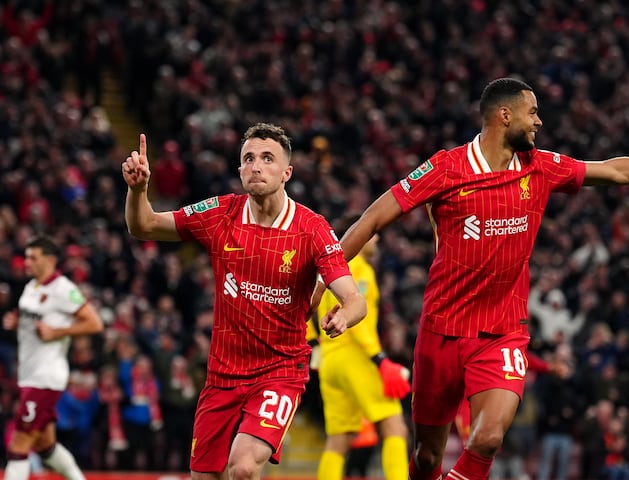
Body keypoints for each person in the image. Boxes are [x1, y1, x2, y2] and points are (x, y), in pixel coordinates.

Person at [324, 77, 629, 480]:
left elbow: (615, 171)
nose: (540, 121)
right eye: (533, 112)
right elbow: (374, 217)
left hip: (503, 332)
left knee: (487, 438)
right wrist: (329, 278)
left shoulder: (539, 168)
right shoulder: (446, 168)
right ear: (504, 116)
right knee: (426, 454)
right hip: (442, 331)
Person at [122, 123, 366, 480]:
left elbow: (354, 298)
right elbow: (143, 225)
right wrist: (138, 190)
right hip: (222, 375)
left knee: (243, 466)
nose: (256, 166)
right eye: (248, 158)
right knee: (205, 477)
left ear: (287, 172)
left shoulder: (311, 229)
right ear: (239, 170)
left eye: (267, 158)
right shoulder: (220, 214)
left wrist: (345, 314)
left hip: (280, 371)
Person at [307, 213, 410, 480]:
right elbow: (360, 323)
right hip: (356, 356)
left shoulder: (326, 270)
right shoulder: (359, 269)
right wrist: (380, 359)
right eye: (372, 234)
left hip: (329, 361)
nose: (375, 238)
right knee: (394, 427)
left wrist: (312, 346)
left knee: (339, 439)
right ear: (360, 236)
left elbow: (304, 310)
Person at [2, 235, 104, 480]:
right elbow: (36, 321)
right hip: (29, 373)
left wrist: (59, 332)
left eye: (32, 257)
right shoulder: (31, 286)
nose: (26, 262)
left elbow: (95, 323)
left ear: (50, 260)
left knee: (19, 442)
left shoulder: (64, 289)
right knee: (45, 446)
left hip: (45, 376)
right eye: (26, 257)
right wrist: (18, 324)